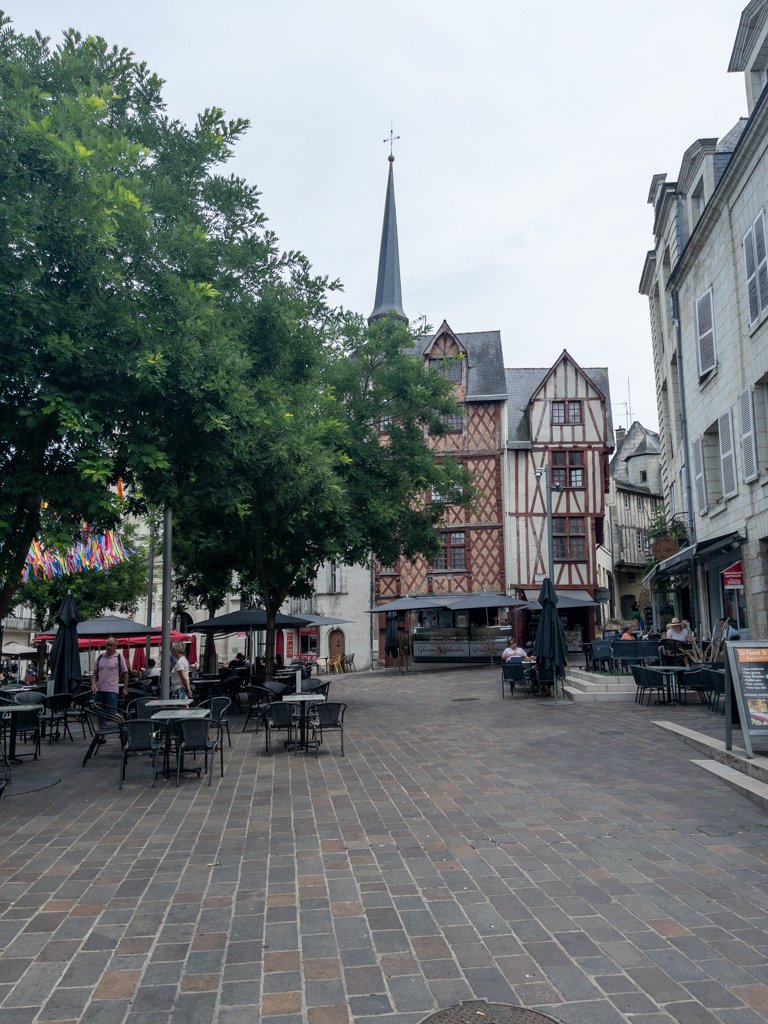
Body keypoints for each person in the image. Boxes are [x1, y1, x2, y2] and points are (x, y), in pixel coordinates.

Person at [91, 637, 129, 716]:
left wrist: (125, 688)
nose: (108, 647)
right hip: (99, 690)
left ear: (115, 646)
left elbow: (125, 673)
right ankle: (101, 725)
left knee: (112, 714)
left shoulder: (119, 657)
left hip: (112, 690)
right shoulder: (100, 657)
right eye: (107, 645)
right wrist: (93, 684)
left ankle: (121, 722)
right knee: (98, 713)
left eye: (111, 645)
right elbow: (94, 672)